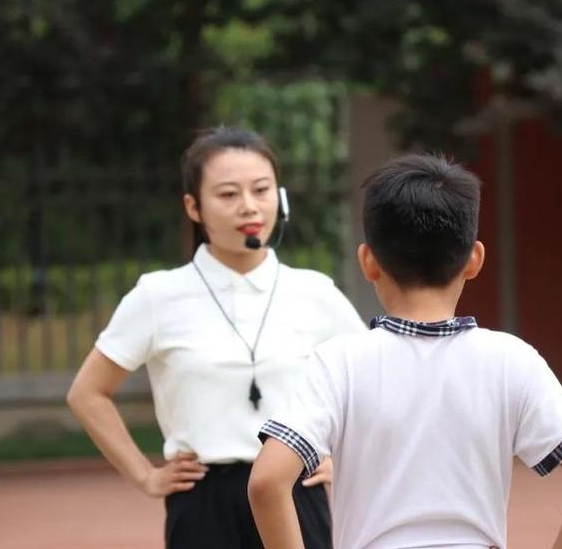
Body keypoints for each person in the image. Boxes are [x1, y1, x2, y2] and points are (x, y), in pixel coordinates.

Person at [248, 154, 562, 549]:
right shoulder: (512, 361)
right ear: (474, 259)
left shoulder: (339, 362)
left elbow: (268, 482)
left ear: (368, 261)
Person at [67, 126, 366, 549]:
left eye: (261, 190)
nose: (249, 207)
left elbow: (370, 379)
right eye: (227, 194)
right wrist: (145, 475)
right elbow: (87, 392)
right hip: (203, 502)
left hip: (295, 493)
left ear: (279, 198)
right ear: (193, 207)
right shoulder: (157, 296)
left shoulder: (315, 292)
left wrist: (343, 458)